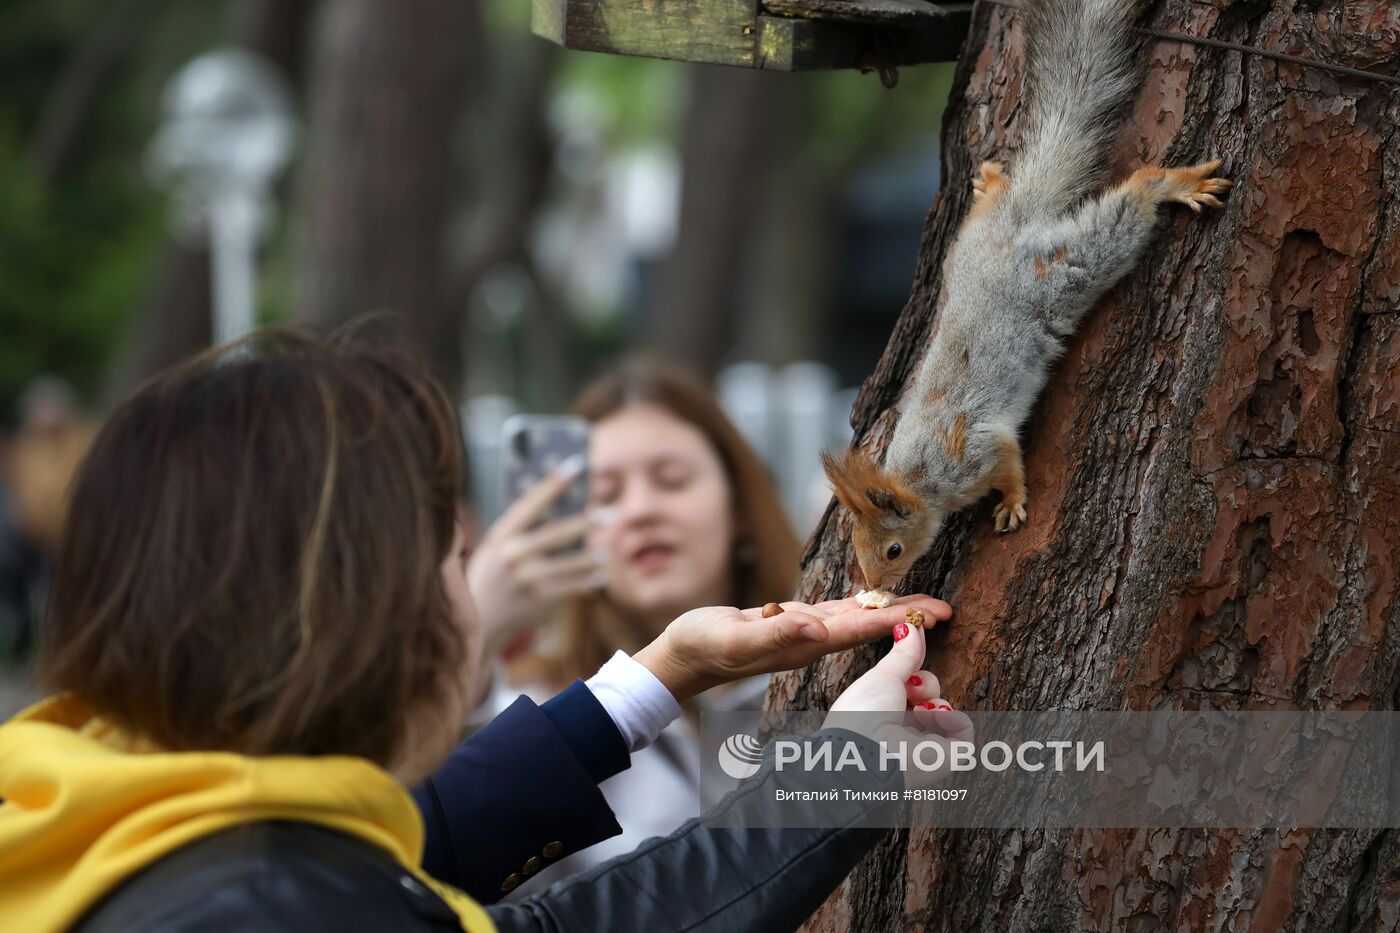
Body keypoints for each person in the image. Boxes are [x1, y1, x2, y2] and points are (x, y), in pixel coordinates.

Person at [0, 330, 966, 932]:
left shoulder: (102, 807)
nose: (473, 583)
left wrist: (661, 674)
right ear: (352, 611)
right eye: (448, 557)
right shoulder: (263, 901)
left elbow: (403, 847)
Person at [464, 359, 812, 891]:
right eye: (605, 496)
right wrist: (477, 629)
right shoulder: (533, 712)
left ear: (739, 504)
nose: (640, 510)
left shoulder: (833, 667)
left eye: (671, 480)